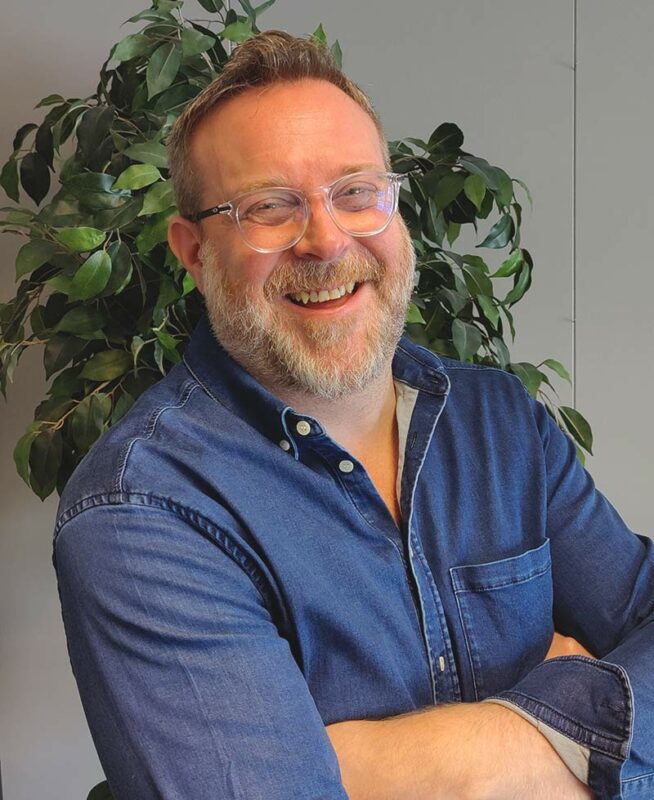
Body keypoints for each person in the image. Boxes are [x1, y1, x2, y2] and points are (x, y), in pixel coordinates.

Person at [53, 31, 653, 800]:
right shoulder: (140, 512)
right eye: (270, 206)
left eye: (356, 192)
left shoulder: (500, 424)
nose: (327, 239)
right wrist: (583, 722)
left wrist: (408, 761)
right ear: (194, 251)